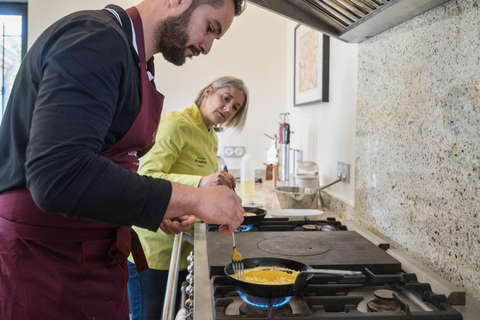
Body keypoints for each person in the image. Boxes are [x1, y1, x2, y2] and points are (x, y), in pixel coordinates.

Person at [0, 0, 246, 319]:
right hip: (44, 264)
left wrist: (157, 209)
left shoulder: (138, 62)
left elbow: (105, 167)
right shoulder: (95, 40)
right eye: (210, 28)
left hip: (91, 258)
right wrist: (194, 198)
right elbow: (58, 176)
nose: (207, 46)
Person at [128, 76, 249, 319]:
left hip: (184, 245)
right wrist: (204, 181)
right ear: (208, 92)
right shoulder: (176, 123)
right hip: (155, 249)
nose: (228, 109)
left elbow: (195, 194)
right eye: (225, 99)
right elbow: (147, 175)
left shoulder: (211, 135)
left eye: (235, 107)